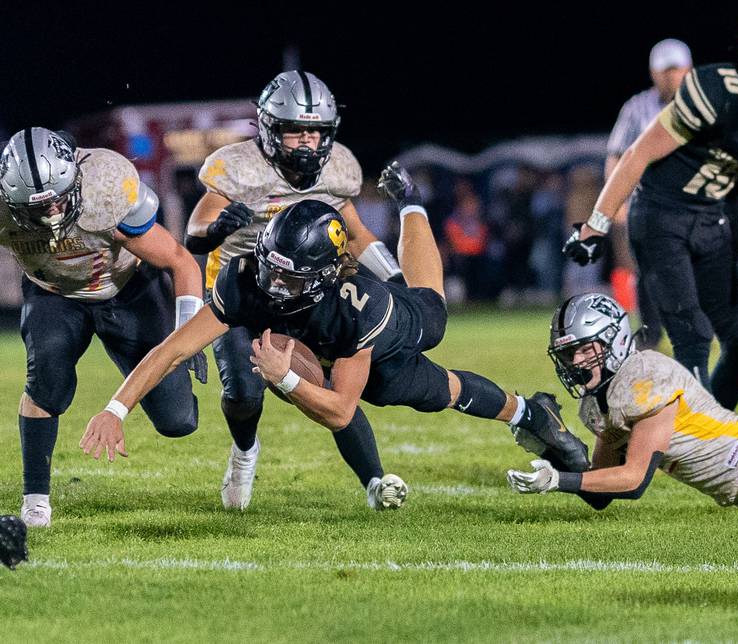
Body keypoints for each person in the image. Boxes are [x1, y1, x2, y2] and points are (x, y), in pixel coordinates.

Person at [80, 164, 591, 511]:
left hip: (389, 328)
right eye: (271, 268)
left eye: (291, 277)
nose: (274, 285)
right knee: (429, 392)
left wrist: (288, 381)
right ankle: (530, 413)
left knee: (427, 334)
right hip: (322, 338)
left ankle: (413, 205)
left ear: (324, 275)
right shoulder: (246, 278)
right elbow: (173, 350)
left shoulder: (353, 307)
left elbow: (341, 410)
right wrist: (115, 408)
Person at [183, 70, 403, 510]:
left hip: (310, 293)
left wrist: (397, 279)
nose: (305, 141)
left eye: (314, 131)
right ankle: (245, 450)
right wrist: (215, 230)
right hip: (245, 292)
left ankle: (375, 482)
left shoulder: (339, 166)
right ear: (267, 128)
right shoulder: (238, 167)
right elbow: (194, 232)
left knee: (334, 384)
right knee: (244, 392)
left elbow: (355, 234)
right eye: (293, 131)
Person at [564, 8, 738, 411]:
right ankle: (692, 436)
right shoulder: (714, 90)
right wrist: (595, 226)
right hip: (660, 215)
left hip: (711, 221)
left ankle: (712, 430)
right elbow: (635, 156)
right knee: (693, 335)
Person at [0, 127, 206, 528]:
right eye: (35, 208)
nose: (51, 215)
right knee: (46, 383)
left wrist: (188, 332)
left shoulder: (107, 186)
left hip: (127, 289)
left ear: (75, 178)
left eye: (57, 200)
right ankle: (36, 498)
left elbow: (179, 260)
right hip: (54, 294)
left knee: (178, 421)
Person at [507, 292, 738, 512]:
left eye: (584, 348)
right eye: (569, 354)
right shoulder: (598, 402)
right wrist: (552, 451)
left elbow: (634, 480)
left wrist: (559, 480)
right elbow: (600, 491)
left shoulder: (644, 376)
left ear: (614, 340)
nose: (576, 361)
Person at [605, 38, 693, 346]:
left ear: (688, 70)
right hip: (648, 204)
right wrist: (614, 203)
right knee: (648, 272)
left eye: (676, 69)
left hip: (693, 204)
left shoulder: (703, 103)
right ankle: (651, 333)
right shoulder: (637, 108)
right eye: (665, 70)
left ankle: (693, 329)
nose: (671, 76)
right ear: (653, 73)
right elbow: (616, 155)